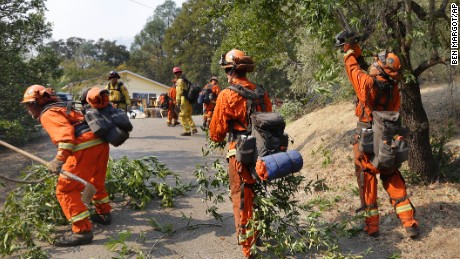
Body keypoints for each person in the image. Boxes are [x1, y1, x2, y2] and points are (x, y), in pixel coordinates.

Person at [339, 36, 419, 238]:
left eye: (376, 63)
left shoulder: (367, 83)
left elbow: (352, 69)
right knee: (392, 176)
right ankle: (409, 222)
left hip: (367, 139)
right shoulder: (394, 89)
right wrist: (357, 49)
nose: (372, 64)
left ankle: (372, 226)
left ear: (381, 69)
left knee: (367, 178)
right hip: (387, 140)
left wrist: (348, 50)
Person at [21, 85, 112, 247]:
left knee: (66, 190)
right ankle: (104, 213)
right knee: (95, 180)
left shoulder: (48, 114)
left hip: (84, 146)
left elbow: (65, 137)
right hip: (100, 142)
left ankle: (82, 231)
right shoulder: (63, 106)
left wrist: (58, 160)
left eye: (28, 106)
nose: (28, 111)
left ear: (35, 104)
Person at [209, 49, 272, 258]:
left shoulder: (227, 95)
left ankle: (247, 245)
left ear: (230, 71)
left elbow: (216, 134)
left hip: (240, 152)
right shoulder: (262, 92)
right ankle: (257, 231)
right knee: (256, 193)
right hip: (262, 152)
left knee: (241, 195)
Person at [173, 66, 197, 136]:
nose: (176, 74)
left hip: (183, 99)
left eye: (176, 73)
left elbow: (179, 91)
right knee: (188, 115)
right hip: (188, 99)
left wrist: (177, 101)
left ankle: (187, 131)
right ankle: (193, 128)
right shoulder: (185, 80)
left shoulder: (179, 81)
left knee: (182, 115)